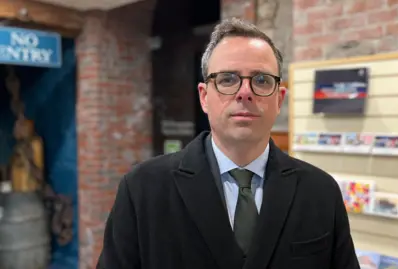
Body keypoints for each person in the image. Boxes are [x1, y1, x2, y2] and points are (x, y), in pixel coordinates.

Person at [97, 18, 360, 269]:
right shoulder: (142, 189)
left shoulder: (320, 192)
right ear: (204, 97)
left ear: (279, 99)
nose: (245, 92)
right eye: (227, 79)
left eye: (260, 80)